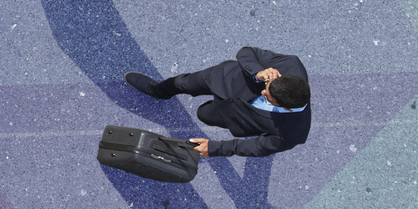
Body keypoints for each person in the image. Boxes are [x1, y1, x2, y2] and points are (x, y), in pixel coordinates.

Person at [126, 47, 312, 159]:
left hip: (233, 116)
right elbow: (247, 52)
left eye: (267, 97)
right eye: (267, 85)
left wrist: (216, 148)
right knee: (183, 83)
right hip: (223, 78)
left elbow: (258, 147)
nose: (263, 91)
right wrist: (257, 73)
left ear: (286, 108)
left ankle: (206, 110)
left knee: (203, 114)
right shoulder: (291, 64)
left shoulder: (293, 133)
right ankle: (159, 91)